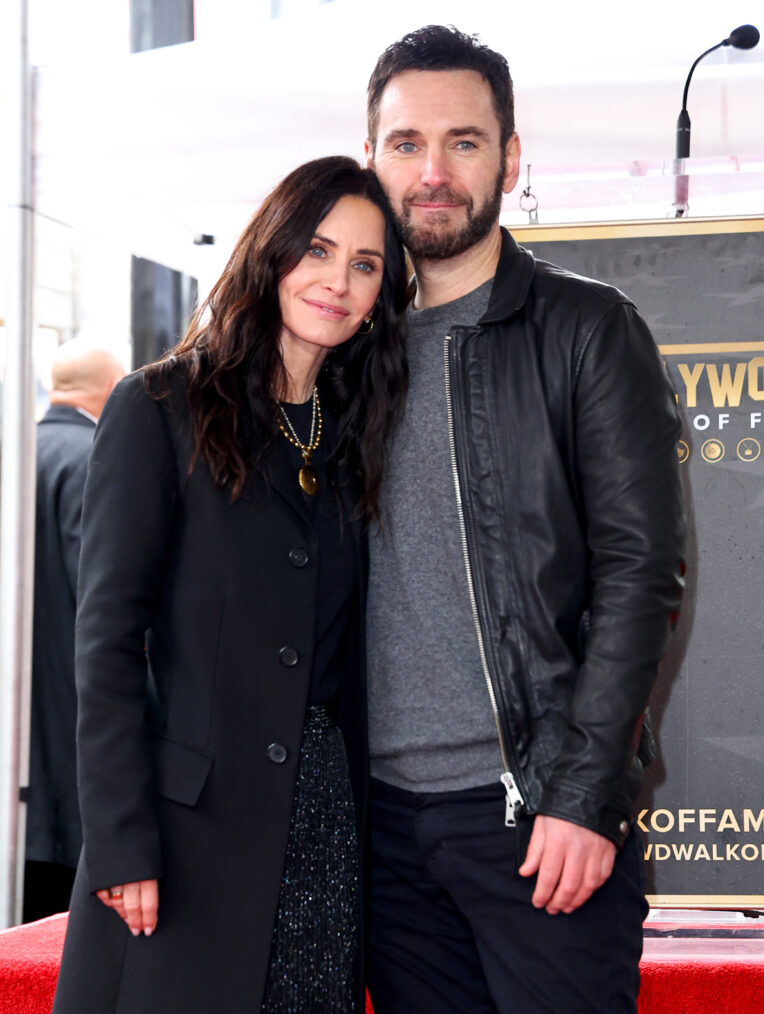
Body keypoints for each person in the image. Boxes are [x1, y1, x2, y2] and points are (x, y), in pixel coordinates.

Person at [363, 25, 686, 1014]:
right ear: (370, 158)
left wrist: (587, 797)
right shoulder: (342, 350)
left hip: (535, 820)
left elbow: (645, 576)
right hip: (379, 831)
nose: (432, 172)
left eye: (462, 142)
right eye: (405, 143)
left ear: (509, 157)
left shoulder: (587, 329)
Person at [52, 155, 408, 1014]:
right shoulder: (160, 406)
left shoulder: (357, 431)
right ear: (271, 252)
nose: (338, 281)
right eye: (318, 251)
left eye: (365, 266)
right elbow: (104, 641)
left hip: (323, 820)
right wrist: (121, 839)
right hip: (184, 836)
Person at [25, 341, 125, 924]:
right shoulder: (92, 457)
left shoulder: (20, 452)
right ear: (112, 391)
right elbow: (104, 594)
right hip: (71, 710)